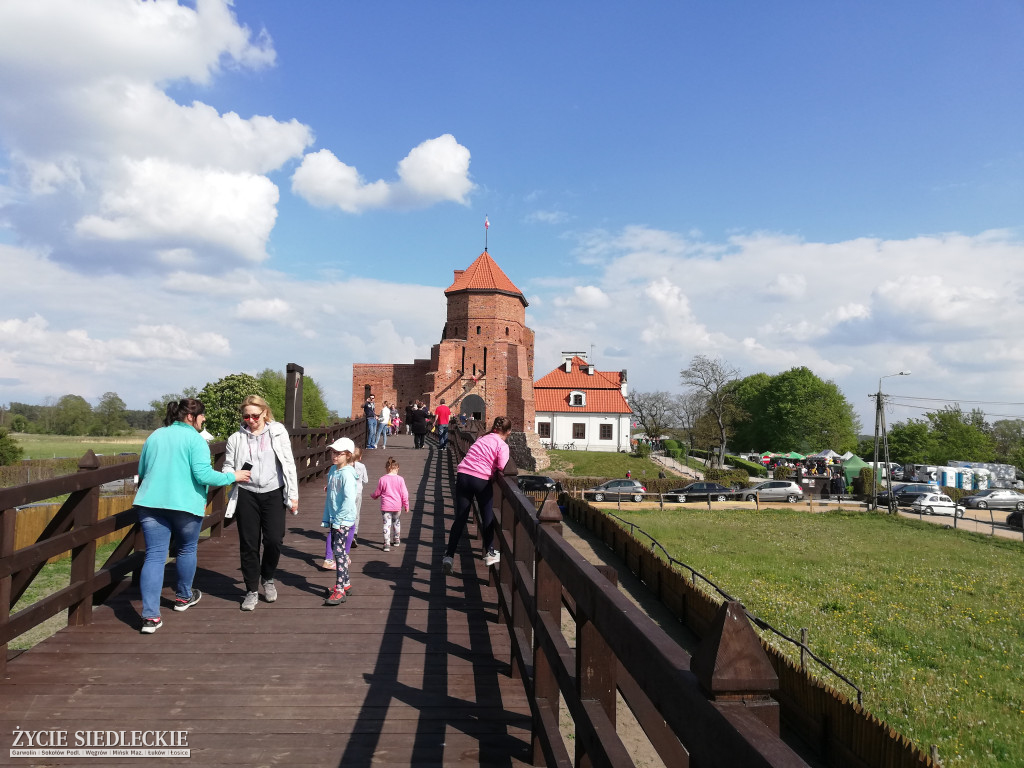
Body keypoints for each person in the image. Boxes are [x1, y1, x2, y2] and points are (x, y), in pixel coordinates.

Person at [134, 398, 250, 634]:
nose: (204, 419)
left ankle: (150, 618)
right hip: (185, 506)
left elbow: (143, 471)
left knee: (154, 557)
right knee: (186, 550)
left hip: (150, 504)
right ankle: (183, 597)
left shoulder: (155, 435)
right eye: (202, 415)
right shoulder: (195, 440)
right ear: (190, 416)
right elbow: (204, 475)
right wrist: (233, 477)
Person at [223, 395, 299, 612]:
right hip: (247, 494)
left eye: (255, 415)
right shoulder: (235, 438)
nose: (251, 420)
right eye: (246, 416)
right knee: (249, 544)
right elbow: (227, 466)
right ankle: (251, 590)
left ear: (265, 413)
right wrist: (233, 474)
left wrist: (293, 494)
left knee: (274, 540)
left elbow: (289, 463)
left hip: (273, 492)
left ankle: (268, 577)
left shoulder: (278, 432)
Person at [441, 416, 513, 576]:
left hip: (463, 474)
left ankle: (449, 556)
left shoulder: (482, 438)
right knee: (487, 516)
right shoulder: (502, 445)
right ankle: (491, 552)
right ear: (508, 432)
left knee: (460, 518)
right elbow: (502, 465)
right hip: (480, 478)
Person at [322, 437, 358, 605]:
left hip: (342, 519)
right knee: (340, 551)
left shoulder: (348, 474)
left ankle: (339, 589)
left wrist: (340, 519)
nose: (334, 455)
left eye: (338, 453)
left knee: (339, 553)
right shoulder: (333, 470)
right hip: (335, 516)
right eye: (332, 452)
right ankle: (347, 584)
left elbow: (350, 499)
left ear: (348, 455)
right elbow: (333, 489)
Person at [371, 457, 410, 552]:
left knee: (386, 524)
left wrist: (374, 496)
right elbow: (404, 493)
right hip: (397, 506)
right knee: (396, 522)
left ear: (387, 468)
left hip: (386, 506)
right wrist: (406, 504)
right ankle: (396, 539)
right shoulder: (400, 479)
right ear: (396, 468)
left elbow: (378, 492)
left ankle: (387, 543)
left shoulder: (382, 479)